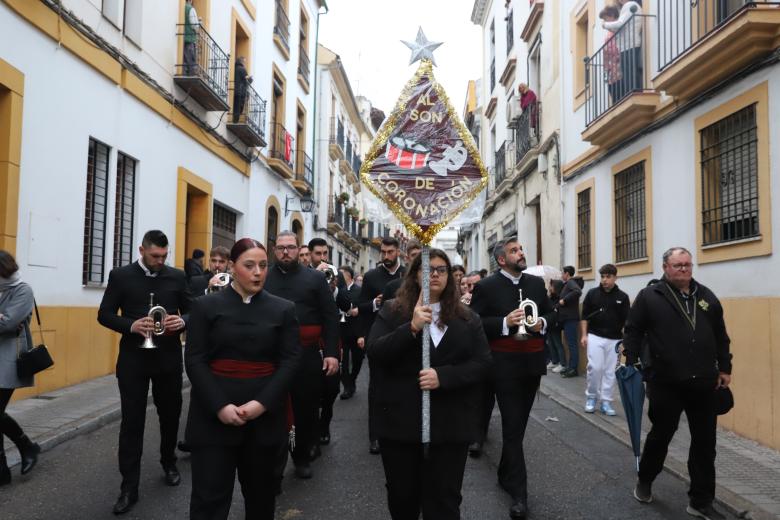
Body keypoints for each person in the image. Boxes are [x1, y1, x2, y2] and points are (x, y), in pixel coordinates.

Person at [367, 249, 491, 520]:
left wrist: (443, 376)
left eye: (441, 269)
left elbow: (482, 364)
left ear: (449, 276)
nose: (434, 274)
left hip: (449, 425)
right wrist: (410, 329)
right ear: (413, 275)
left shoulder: (468, 318)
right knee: (403, 498)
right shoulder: (392, 311)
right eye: (427, 268)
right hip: (400, 424)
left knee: (444, 501)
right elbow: (375, 353)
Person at [185, 238, 301, 520]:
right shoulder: (204, 307)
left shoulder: (283, 309)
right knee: (209, 500)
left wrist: (261, 404)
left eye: (263, 265)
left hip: (263, 420)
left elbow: (289, 361)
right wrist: (220, 406)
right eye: (249, 266)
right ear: (233, 267)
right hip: (212, 419)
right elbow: (195, 360)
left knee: (261, 499)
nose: (258, 272)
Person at [624, 247, 732, 520]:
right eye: (677, 265)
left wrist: (725, 367)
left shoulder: (706, 297)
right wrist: (633, 363)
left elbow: (720, 334)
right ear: (665, 267)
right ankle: (645, 479)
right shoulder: (650, 297)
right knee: (661, 436)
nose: (684, 269)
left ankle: (701, 501)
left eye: (687, 264)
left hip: (704, 383)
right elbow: (633, 331)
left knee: (705, 445)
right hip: (666, 382)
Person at [97, 230, 191, 515]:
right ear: (142, 250)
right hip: (133, 360)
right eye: (154, 256)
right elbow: (104, 314)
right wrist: (131, 326)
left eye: (164, 256)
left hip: (168, 358)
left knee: (170, 414)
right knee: (132, 423)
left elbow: (194, 311)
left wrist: (182, 321)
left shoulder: (177, 276)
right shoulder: (121, 276)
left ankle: (168, 461)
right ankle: (129, 487)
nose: (160, 261)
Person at [470, 237, 553, 519]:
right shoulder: (486, 286)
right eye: (514, 251)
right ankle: (520, 495)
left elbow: (551, 314)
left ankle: (506, 474)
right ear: (501, 260)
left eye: (521, 249)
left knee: (516, 428)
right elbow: (476, 322)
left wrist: (542, 322)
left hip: (531, 364)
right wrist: (505, 322)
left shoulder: (535, 284)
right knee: (512, 428)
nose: (521, 253)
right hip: (502, 367)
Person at [264, 231, 339, 480]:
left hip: (305, 355)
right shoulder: (263, 276)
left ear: (299, 249)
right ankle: (273, 464)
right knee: (270, 409)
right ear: (275, 251)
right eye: (282, 248)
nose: (286, 252)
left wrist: (331, 354)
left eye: (291, 247)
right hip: (270, 355)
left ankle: (301, 456)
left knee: (305, 410)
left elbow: (330, 317)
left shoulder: (315, 279)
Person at [358, 236, 406, 455]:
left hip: (404, 337)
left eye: (390, 252)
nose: (386, 256)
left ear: (398, 252)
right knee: (376, 387)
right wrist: (375, 304)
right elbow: (361, 306)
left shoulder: (407, 275)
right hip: (378, 335)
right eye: (383, 252)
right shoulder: (370, 277)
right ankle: (374, 435)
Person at [0, 250, 41, 486]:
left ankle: (27, 446)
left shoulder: (22, 290)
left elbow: (9, 323)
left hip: (8, 360)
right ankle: (4, 468)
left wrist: (5, 320)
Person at [579, 264, 630, 416]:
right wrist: (583, 335)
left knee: (610, 372)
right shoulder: (592, 294)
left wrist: (625, 342)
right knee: (595, 368)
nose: (604, 280)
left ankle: (606, 401)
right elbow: (584, 317)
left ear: (615, 277)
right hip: (595, 336)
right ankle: (591, 397)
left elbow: (627, 322)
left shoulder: (622, 297)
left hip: (614, 340)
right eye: (602, 276)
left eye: (608, 276)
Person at [603, 0, 643, 101]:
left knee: (630, 74)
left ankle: (633, 95)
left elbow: (620, 24)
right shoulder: (628, 7)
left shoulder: (630, 5)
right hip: (628, 45)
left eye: (605, 18)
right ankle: (632, 95)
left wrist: (605, 25)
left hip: (629, 45)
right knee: (629, 74)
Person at [338, 265, 363, 400]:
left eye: (341, 274)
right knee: (343, 361)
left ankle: (352, 380)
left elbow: (364, 308)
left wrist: (358, 310)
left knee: (358, 360)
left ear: (349, 275)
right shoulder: (337, 291)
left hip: (356, 331)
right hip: (341, 330)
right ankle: (347, 387)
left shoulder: (359, 290)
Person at [558, 265, 582, 378]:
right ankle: (570, 367)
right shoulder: (567, 284)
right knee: (569, 343)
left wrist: (564, 300)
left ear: (567, 274)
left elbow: (578, 291)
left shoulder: (571, 282)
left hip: (571, 319)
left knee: (572, 344)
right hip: (567, 319)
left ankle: (573, 369)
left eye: (562, 273)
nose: (561, 275)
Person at [600, 5, 623, 105]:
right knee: (615, 96)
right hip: (611, 74)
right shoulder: (609, 33)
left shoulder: (618, 29)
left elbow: (616, 49)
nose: (604, 22)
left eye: (605, 19)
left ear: (612, 15)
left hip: (619, 71)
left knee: (620, 95)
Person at [547, 279, 566, 374]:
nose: (550, 287)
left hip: (556, 324)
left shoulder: (559, 298)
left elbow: (557, 310)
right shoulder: (550, 297)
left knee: (558, 343)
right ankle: (554, 361)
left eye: (551, 286)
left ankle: (562, 364)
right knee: (550, 343)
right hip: (549, 323)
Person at [232, 56, 253, 124]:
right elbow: (247, 80)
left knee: (235, 105)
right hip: (241, 91)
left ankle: (234, 119)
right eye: (244, 61)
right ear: (242, 62)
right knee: (239, 107)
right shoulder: (242, 69)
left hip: (235, 90)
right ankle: (235, 120)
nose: (245, 63)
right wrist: (251, 79)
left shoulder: (234, 68)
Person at [182, 0, 200, 75]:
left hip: (183, 38)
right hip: (190, 38)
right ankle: (190, 74)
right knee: (191, 59)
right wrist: (199, 24)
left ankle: (185, 73)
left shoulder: (182, 8)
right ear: (190, 0)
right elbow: (194, 24)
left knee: (185, 58)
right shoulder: (191, 9)